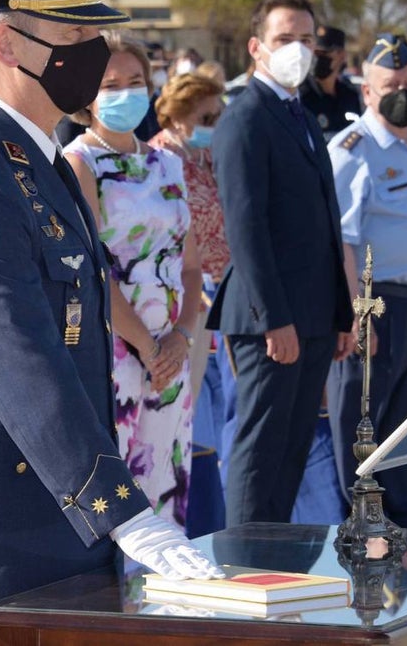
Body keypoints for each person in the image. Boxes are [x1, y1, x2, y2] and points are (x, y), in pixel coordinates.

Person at [0, 0, 220, 645]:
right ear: (6, 44)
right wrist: (120, 508)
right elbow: (20, 361)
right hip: (5, 535)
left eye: (94, 34)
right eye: (75, 36)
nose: (94, 53)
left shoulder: (36, 160)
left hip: (66, 527)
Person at [207, 0, 353, 526]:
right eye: (284, 38)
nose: (298, 49)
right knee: (260, 450)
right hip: (271, 319)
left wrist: (340, 314)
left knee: (292, 450)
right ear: (256, 48)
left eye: (306, 39)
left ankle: (272, 555)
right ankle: (242, 558)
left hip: (313, 316)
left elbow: (326, 222)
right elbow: (246, 229)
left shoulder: (300, 114)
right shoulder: (245, 118)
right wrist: (275, 319)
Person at [65, 34, 201, 530]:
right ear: (87, 95)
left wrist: (180, 338)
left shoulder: (168, 163)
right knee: (119, 492)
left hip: (171, 354)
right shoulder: (78, 163)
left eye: (135, 81)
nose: (125, 93)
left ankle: (161, 581)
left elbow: (190, 265)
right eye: (110, 84)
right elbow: (93, 269)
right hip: (115, 353)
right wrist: (147, 346)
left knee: (165, 483)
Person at [327, 33, 407, 528]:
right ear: (367, 91)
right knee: (366, 426)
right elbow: (341, 241)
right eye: (390, 86)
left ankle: (406, 525)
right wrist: (357, 311)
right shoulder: (353, 149)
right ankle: (366, 532)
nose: (402, 93)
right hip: (379, 307)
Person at [148, 72, 230, 534]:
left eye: (219, 115)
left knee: (220, 413)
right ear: (178, 116)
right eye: (207, 117)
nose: (215, 125)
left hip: (224, 292)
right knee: (193, 414)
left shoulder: (208, 157)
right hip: (187, 301)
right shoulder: (160, 159)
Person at [299, 25, 364, 140]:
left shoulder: (350, 96)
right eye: (314, 53)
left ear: (342, 55)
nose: (317, 59)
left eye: (324, 53)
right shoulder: (300, 96)